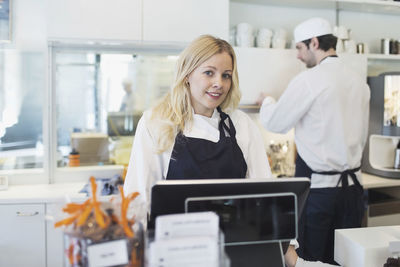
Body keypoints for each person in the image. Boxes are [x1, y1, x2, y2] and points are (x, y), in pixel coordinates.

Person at [257, 17, 370, 264]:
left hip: (321, 194)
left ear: (314, 43)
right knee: (347, 259)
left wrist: (266, 101)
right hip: (353, 192)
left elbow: (276, 123)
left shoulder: (309, 80)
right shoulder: (358, 81)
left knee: (311, 260)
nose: (297, 55)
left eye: (299, 47)